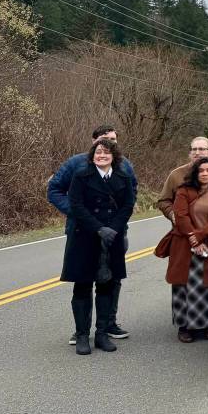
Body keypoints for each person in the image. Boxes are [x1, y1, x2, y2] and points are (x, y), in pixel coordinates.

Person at [48, 124, 137, 345]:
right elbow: (55, 190)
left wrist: (115, 226)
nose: (108, 145)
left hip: (114, 232)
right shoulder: (75, 164)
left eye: (113, 141)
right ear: (93, 141)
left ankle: (107, 326)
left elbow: (131, 195)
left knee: (110, 279)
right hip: (82, 230)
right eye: (104, 140)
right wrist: (79, 213)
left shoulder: (125, 166)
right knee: (84, 281)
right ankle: (81, 332)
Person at [165, 157, 208, 343]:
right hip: (184, 245)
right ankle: (184, 327)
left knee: (206, 285)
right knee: (183, 286)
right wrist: (193, 238)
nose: (205, 173)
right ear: (195, 173)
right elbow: (180, 215)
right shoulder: (183, 191)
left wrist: (201, 235)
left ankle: (207, 324)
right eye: (201, 170)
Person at [157, 137, 208, 224]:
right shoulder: (176, 175)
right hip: (185, 231)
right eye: (194, 149)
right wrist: (172, 214)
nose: (197, 153)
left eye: (201, 149)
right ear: (190, 153)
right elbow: (163, 201)